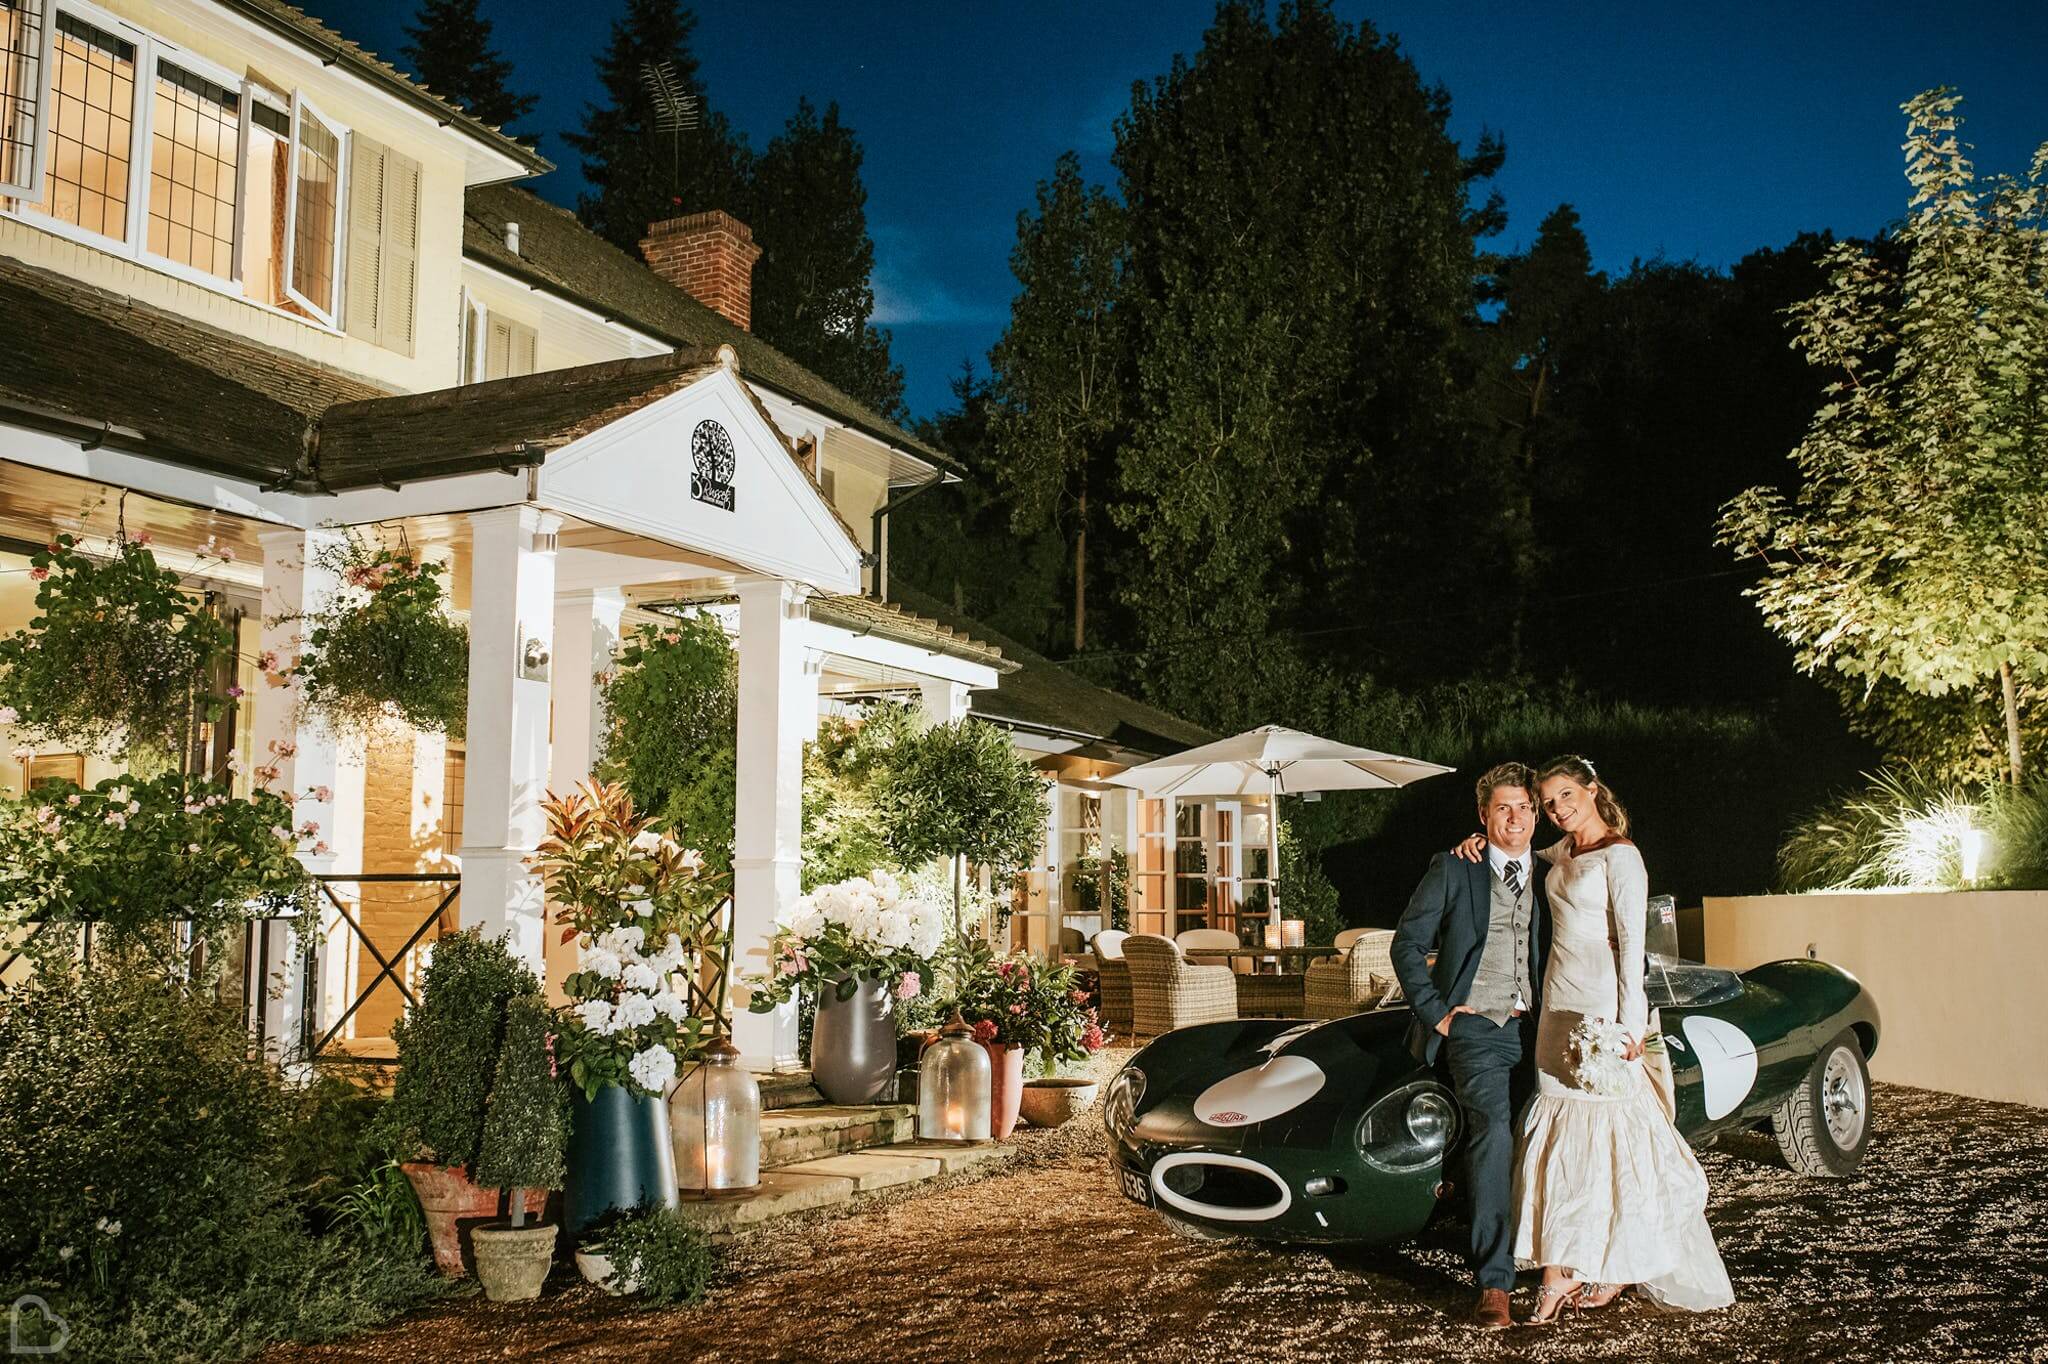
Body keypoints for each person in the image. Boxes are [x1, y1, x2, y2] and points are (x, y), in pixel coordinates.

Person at [1454, 755, 1733, 1321]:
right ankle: (1570, 1266)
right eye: (1547, 802)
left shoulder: (1622, 857)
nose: (1556, 809)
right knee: (1559, 1139)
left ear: (1591, 789)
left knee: (1608, 1143)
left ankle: (1600, 1267)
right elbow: (1516, 858)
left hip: (1600, 1013)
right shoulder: (1562, 852)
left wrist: (1629, 1027)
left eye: (1564, 796)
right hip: (1556, 1005)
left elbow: (1632, 947)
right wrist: (1477, 842)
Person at [1390, 762, 1550, 1331]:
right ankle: (1494, 1284)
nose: (1516, 818)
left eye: (1525, 807)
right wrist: (1438, 1016)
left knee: (1558, 1134)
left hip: (1541, 1029)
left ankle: (1566, 1262)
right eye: (1503, 808)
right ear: (1483, 815)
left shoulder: (1554, 873)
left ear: (1537, 813)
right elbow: (1407, 944)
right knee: (1492, 1132)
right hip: (1476, 1028)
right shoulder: (1455, 868)